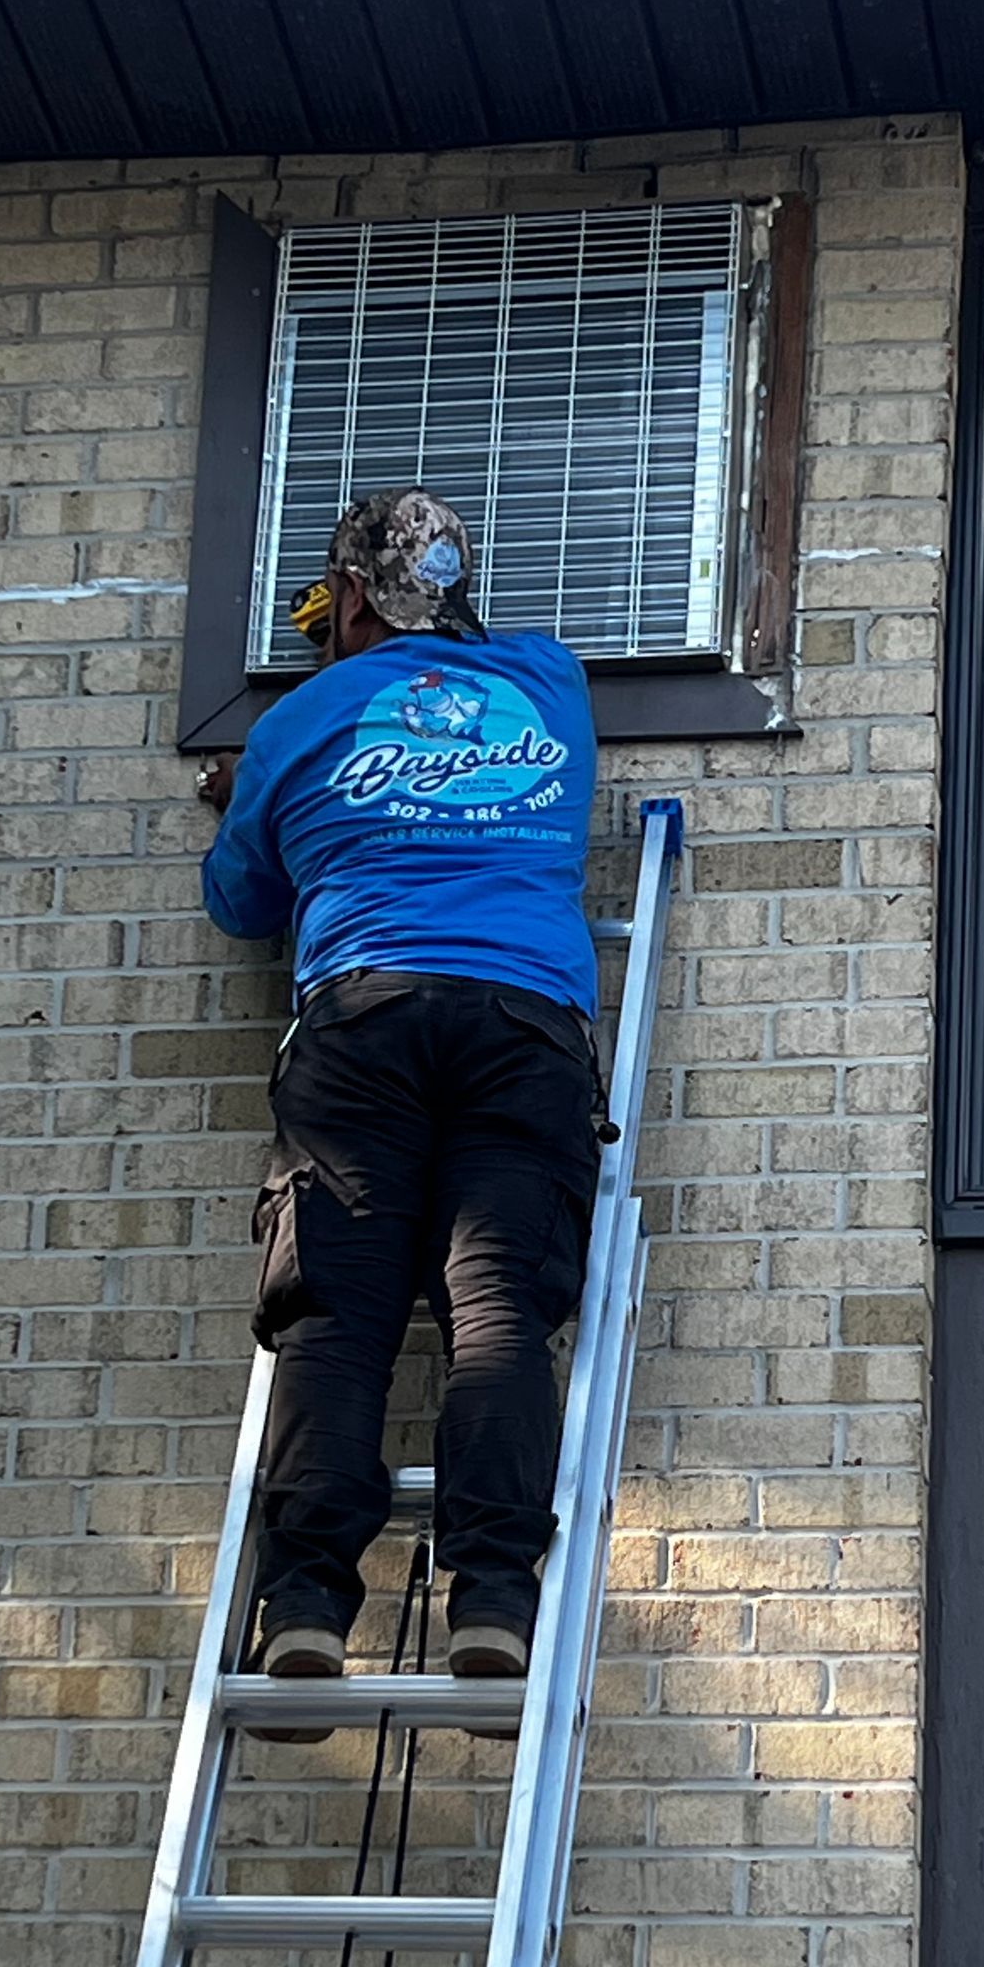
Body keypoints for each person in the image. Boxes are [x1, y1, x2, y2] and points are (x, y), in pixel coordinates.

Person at [201, 487, 602, 1727]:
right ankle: (491, 1599)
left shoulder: (304, 718)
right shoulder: (551, 685)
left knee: (336, 1315)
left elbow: (241, 903)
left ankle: (308, 1608)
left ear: (353, 598)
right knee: (496, 1312)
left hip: (363, 1025)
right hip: (524, 1025)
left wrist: (247, 790)